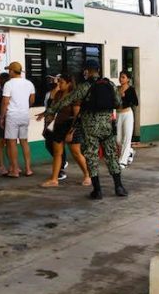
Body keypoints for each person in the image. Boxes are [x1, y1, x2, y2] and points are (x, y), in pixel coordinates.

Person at [48, 59, 127, 199]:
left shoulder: (84, 86)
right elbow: (118, 103)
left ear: (87, 71)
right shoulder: (110, 84)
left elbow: (67, 100)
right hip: (107, 126)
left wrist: (50, 110)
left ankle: (97, 190)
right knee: (111, 156)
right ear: (98, 70)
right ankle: (119, 187)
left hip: (90, 127)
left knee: (91, 157)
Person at [38, 74, 91, 187]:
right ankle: (54, 179)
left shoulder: (75, 96)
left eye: (61, 82)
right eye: (59, 82)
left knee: (76, 153)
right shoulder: (58, 94)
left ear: (69, 83)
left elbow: (77, 115)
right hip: (59, 125)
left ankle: (87, 175)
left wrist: (71, 132)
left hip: (71, 125)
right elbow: (53, 110)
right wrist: (46, 124)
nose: (59, 84)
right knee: (57, 153)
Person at [0, 61, 35, 178]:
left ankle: (15, 170)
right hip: (24, 115)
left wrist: (2, 116)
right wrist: (25, 107)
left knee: (12, 142)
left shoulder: (8, 84)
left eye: (9, 70)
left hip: (12, 116)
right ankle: (28, 169)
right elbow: (32, 100)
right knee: (24, 141)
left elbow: (5, 102)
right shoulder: (29, 83)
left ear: (11, 71)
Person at [36, 75, 67, 181]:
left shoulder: (64, 95)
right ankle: (61, 163)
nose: (56, 82)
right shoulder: (49, 94)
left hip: (58, 122)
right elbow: (47, 107)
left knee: (58, 144)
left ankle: (61, 168)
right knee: (48, 143)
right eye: (55, 81)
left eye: (59, 81)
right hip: (49, 122)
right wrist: (43, 115)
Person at [117, 71, 139, 168]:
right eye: (120, 77)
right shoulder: (117, 89)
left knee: (127, 137)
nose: (120, 79)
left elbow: (135, 102)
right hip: (118, 114)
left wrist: (124, 97)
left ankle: (123, 161)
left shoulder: (131, 89)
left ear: (128, 79)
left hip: (127, 114)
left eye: (123, 77)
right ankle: (130, 151)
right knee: (118, 139)